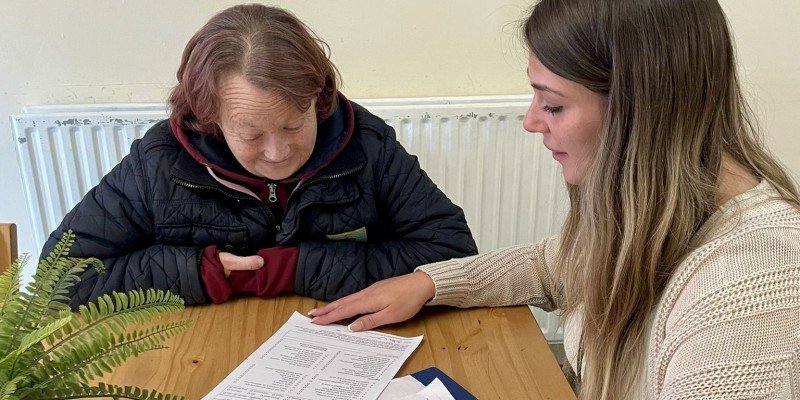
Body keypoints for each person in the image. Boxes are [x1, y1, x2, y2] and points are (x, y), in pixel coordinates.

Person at [310, 0, 800, 398]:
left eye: (553, 104)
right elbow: (554, 264)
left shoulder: (756, 280)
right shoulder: (648, 212)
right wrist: (429, 284)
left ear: (641, 114)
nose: (530, 121)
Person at [42, 4, 477, 308]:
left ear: (318, 98)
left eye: (294, 124)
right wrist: (200, 273)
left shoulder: (365, 143)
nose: (278, 152)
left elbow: (453, 252)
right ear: (210, 118)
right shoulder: (159, 162)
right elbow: (57, 281)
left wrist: (295, 269)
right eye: (250, 134)